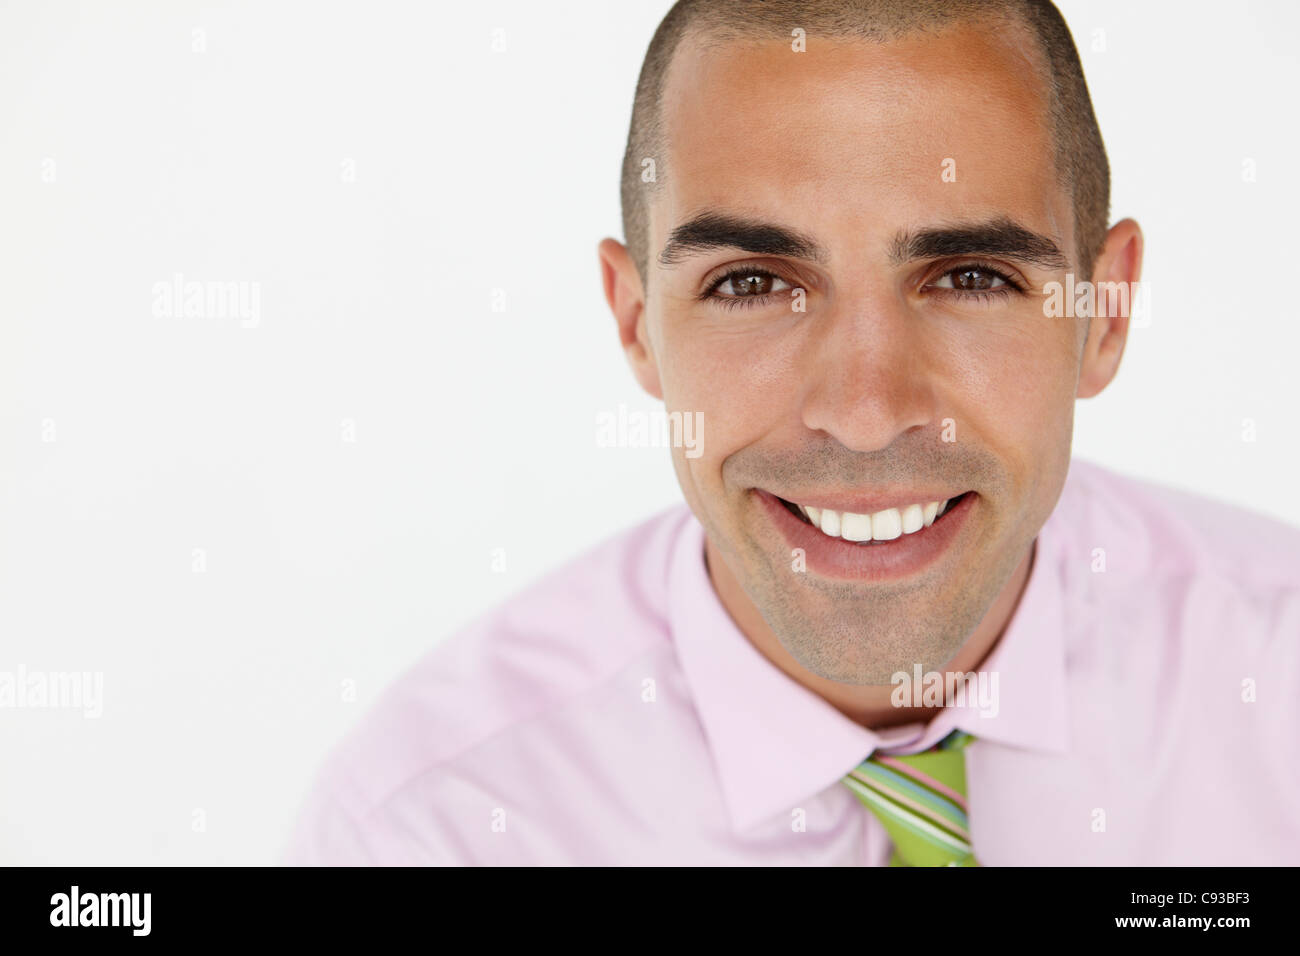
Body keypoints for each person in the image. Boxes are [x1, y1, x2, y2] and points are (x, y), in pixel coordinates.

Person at [282, 0, 1300, 865]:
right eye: (754, 283)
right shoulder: (432, 831)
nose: (864, 411)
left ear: (1103, 312)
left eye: (971, 277)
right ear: (636, 324)